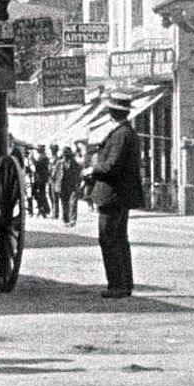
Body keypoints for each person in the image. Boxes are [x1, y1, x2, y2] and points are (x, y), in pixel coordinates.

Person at [84, 92, 142, 299]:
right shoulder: (126, 133)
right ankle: (125, 283)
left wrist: (92, 170)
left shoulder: (121, 135)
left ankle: (117, 285)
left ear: (112, 112)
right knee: (119, 239)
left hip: (113, 194)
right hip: (120, 194)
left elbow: (111, 166)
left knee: (108, 238)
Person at [59, 145, 81, 227]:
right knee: (64, 203)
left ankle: (73, 220)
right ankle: (66, 220)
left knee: (73, 203)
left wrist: (78, 183)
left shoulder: (74, 163)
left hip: (72, 185)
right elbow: (54, 174)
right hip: (63, 185)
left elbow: (78, 174)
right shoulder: (59, 163)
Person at [31, 145, 51, 218]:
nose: (37, 150)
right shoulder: (43, 156)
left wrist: (32, 158)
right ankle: (44, 208)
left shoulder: (43, 157)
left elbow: (38, 166)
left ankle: (43, 208)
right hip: (41, 178)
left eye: (38, 149)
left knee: (38, 193)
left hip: (41, 178)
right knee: (41, 193)